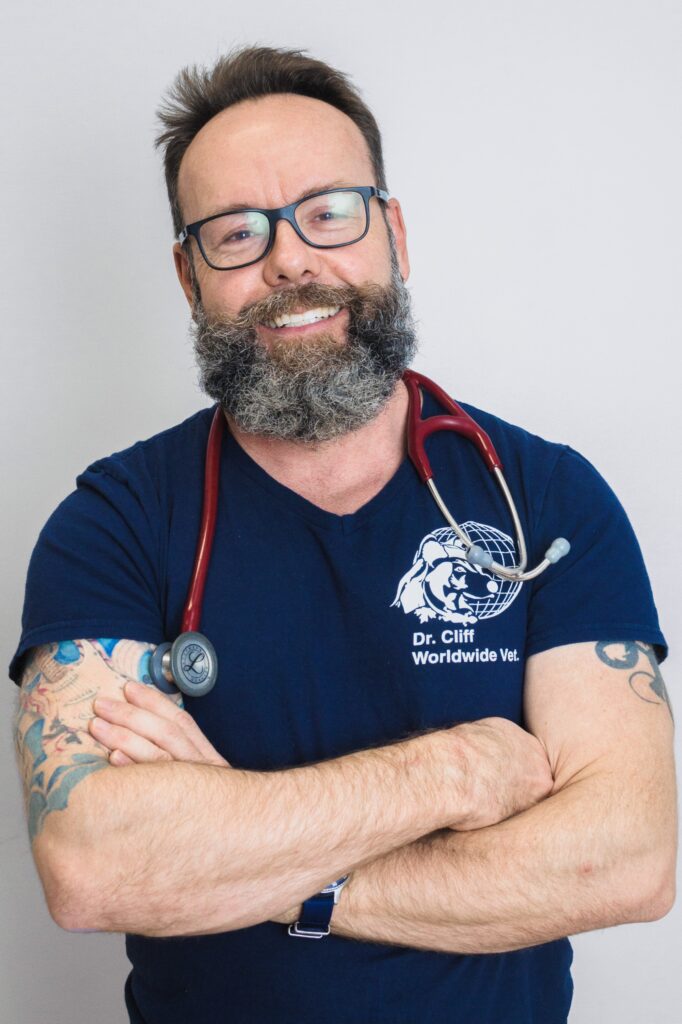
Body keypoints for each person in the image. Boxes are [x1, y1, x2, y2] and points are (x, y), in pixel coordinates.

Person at [10, 44, 676, 1024]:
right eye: (235, 232)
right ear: (188, 276)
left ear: (393, 232)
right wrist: (456, 769)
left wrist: (265, 863)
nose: (290, 258)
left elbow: (627, 855)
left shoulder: (548, 499)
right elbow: (94, 863)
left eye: (329, 213)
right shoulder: (111, 524)